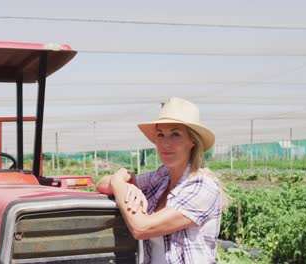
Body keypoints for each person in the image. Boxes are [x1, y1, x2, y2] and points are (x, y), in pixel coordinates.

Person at [97, 97, 229, 264]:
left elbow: (142, 227)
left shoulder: (202, 186)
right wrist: (120, 178)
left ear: (193, 141)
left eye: (175, 134)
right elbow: (101, 184)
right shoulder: (162, 176)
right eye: (160, 135)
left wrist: (119, 184)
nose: (165, 143)